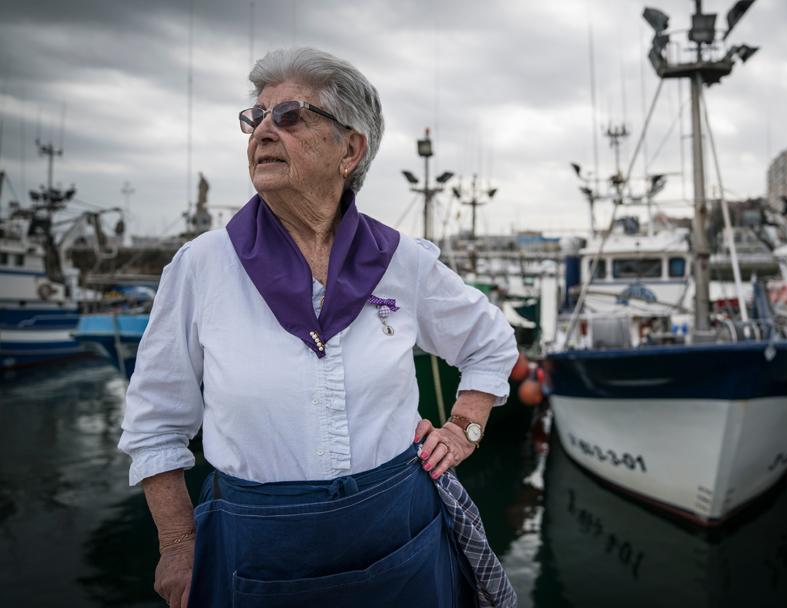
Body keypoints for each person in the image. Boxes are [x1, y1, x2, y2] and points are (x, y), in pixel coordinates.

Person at [119, 47, 518, 607]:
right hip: (254, 544)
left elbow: (490, 342)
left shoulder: (400, 260)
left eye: (288, 115)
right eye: (254, 117)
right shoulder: (203, 266)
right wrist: (180, 545)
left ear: (350, 149)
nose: (262, 131)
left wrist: (463, 429)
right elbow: (156, 423)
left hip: (399, 528)